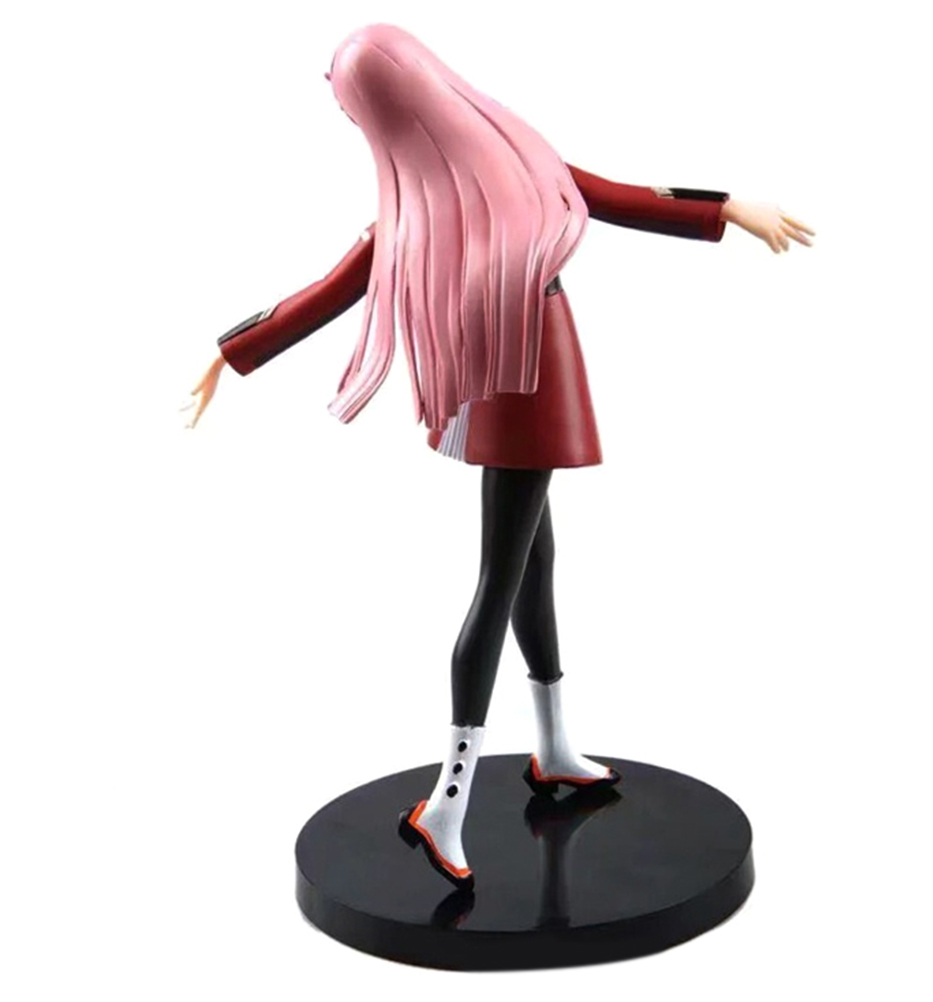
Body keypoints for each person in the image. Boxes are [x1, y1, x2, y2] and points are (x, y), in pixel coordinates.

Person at [182, 23, 814, 890]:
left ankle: (552, 748)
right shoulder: (439, 203)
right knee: (501, 578)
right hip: (522, 384)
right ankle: (446, 802)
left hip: (523, 377)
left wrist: (725, 207)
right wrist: (232, 351)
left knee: (534, 565)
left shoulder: (501, 168)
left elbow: (612, 194)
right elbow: (335, 288)